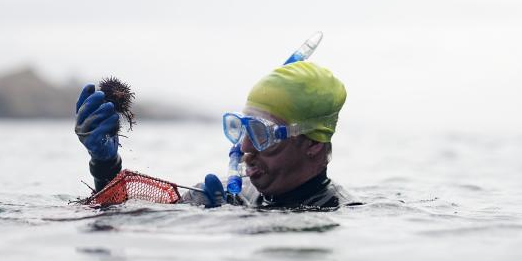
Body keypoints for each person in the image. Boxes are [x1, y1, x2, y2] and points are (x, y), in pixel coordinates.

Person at [74, 61, 355, 210]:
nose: (245, 147)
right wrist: (105, 166)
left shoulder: (341, 211)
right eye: (242, 128)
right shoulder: (232, 195)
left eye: (261, 134)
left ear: (313, 145)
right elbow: (120, 219)